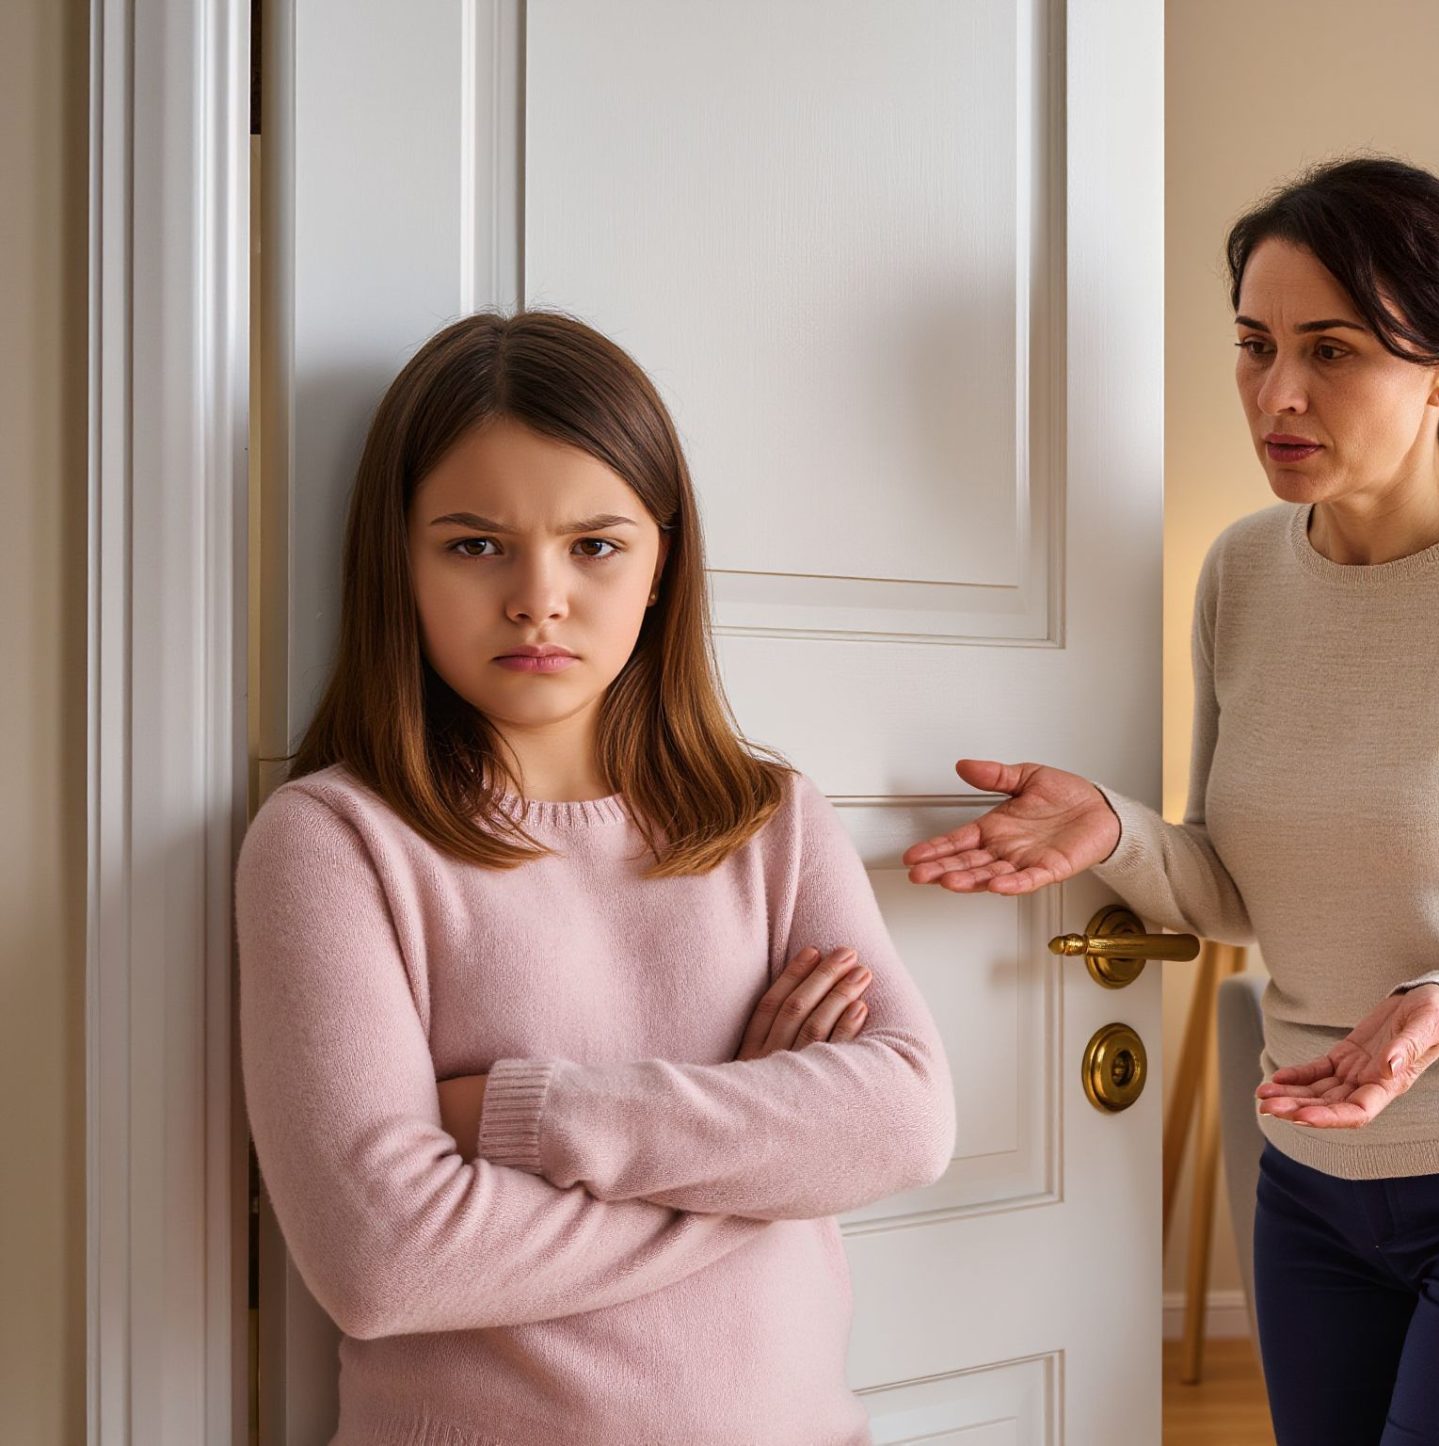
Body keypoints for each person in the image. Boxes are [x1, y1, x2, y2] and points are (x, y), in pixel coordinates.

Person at [904, 158, 1439, 1446]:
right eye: (1255, 345)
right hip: (1317, 1196)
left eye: (1331, 351)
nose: (1277, 393)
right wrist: (1118, 832)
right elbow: (1235, 886)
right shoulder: (1243, 574)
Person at [235, 312, 957, 1443]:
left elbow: (906, 1124)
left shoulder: (771, 821)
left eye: (595, 544)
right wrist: (763, 1160)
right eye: (475, 545)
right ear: (399, 560)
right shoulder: (332, 841)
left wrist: (525, 1115)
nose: (538, 598)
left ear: (663, 560)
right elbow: (385, 1262)